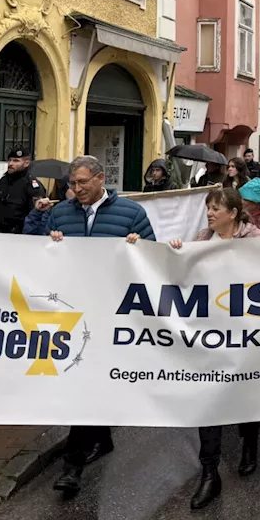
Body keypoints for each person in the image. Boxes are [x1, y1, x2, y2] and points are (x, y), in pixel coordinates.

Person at [46, 155, 156, 496]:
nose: (76, 190)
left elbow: (154, 258)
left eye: (82, 183)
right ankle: (101, 438)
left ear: (100, 178)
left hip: (112, 312)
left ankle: (72, 464)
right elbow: (32, 247)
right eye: (72, 185)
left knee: (89, 381)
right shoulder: (61, 212)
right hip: (73, 311)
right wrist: (46, 236)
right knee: (83, 380)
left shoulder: (131, 214)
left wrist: (140, 249)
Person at [167, 187, 260, 509]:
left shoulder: (255, 237)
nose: (210, 213)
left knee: (245, 394)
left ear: (233, 212)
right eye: (208, 208)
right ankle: (209, 473)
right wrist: (176, 251)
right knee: (210, 400)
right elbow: (182, 273)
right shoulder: (202, 239)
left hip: (247, 333)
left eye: (217, 208)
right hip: (211, 335)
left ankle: (250, 443)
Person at [0, 146, 44, 234]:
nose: (11, 163)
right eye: (10, 160)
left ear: (26, 163)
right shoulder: (2, 181)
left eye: (16, 161)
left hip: (16, 237)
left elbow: (35, 215)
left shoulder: (31, 186)